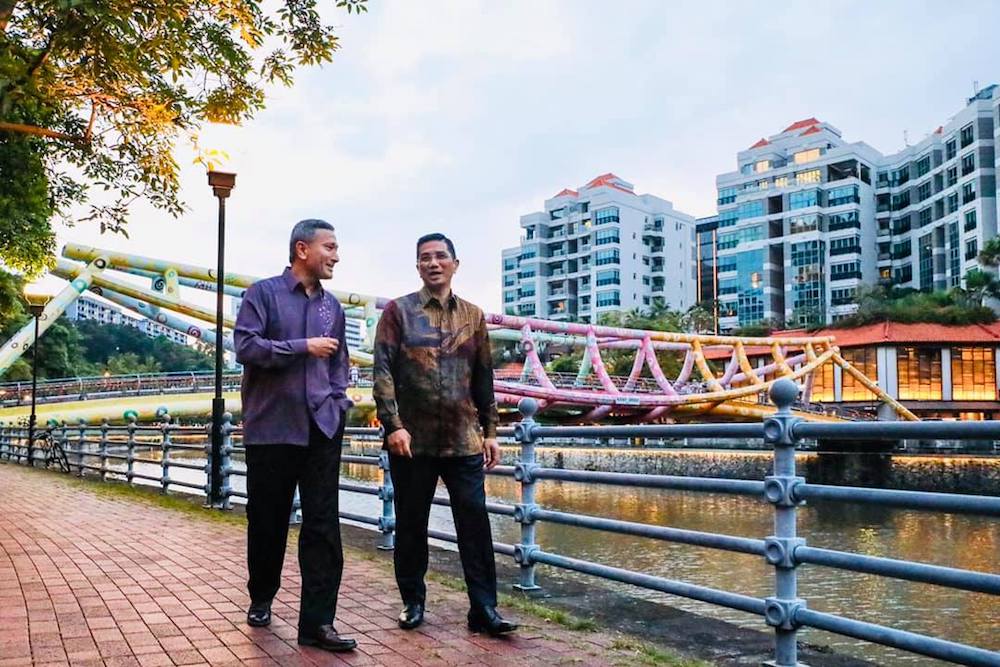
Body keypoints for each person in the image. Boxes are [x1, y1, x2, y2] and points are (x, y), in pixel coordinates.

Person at [373, 233, 518, 636]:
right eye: (425, 258)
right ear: (417, 266)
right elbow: (382, 373)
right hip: (412, 442)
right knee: (412, 524)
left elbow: (483, 377)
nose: (433, 263)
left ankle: (484, 609)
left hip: (463, 440)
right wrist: (393, 425)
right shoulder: (397, 313)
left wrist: (491, 431)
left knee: (475, 525)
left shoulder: (474, 316)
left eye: (440, 257)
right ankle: (413, 601)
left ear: (456, 263)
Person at [234, 219, 356, 653]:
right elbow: (246, 348)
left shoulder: (333, 309)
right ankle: (261, 596)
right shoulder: (261, 294)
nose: (336, 255)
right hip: (272, 428)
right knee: (268, 522)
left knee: (324, 526)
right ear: (302, 249)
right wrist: (302, 346)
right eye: (330, 247)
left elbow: (338, 363)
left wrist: (340, 402)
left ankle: (318, 624)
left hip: (322, 426)